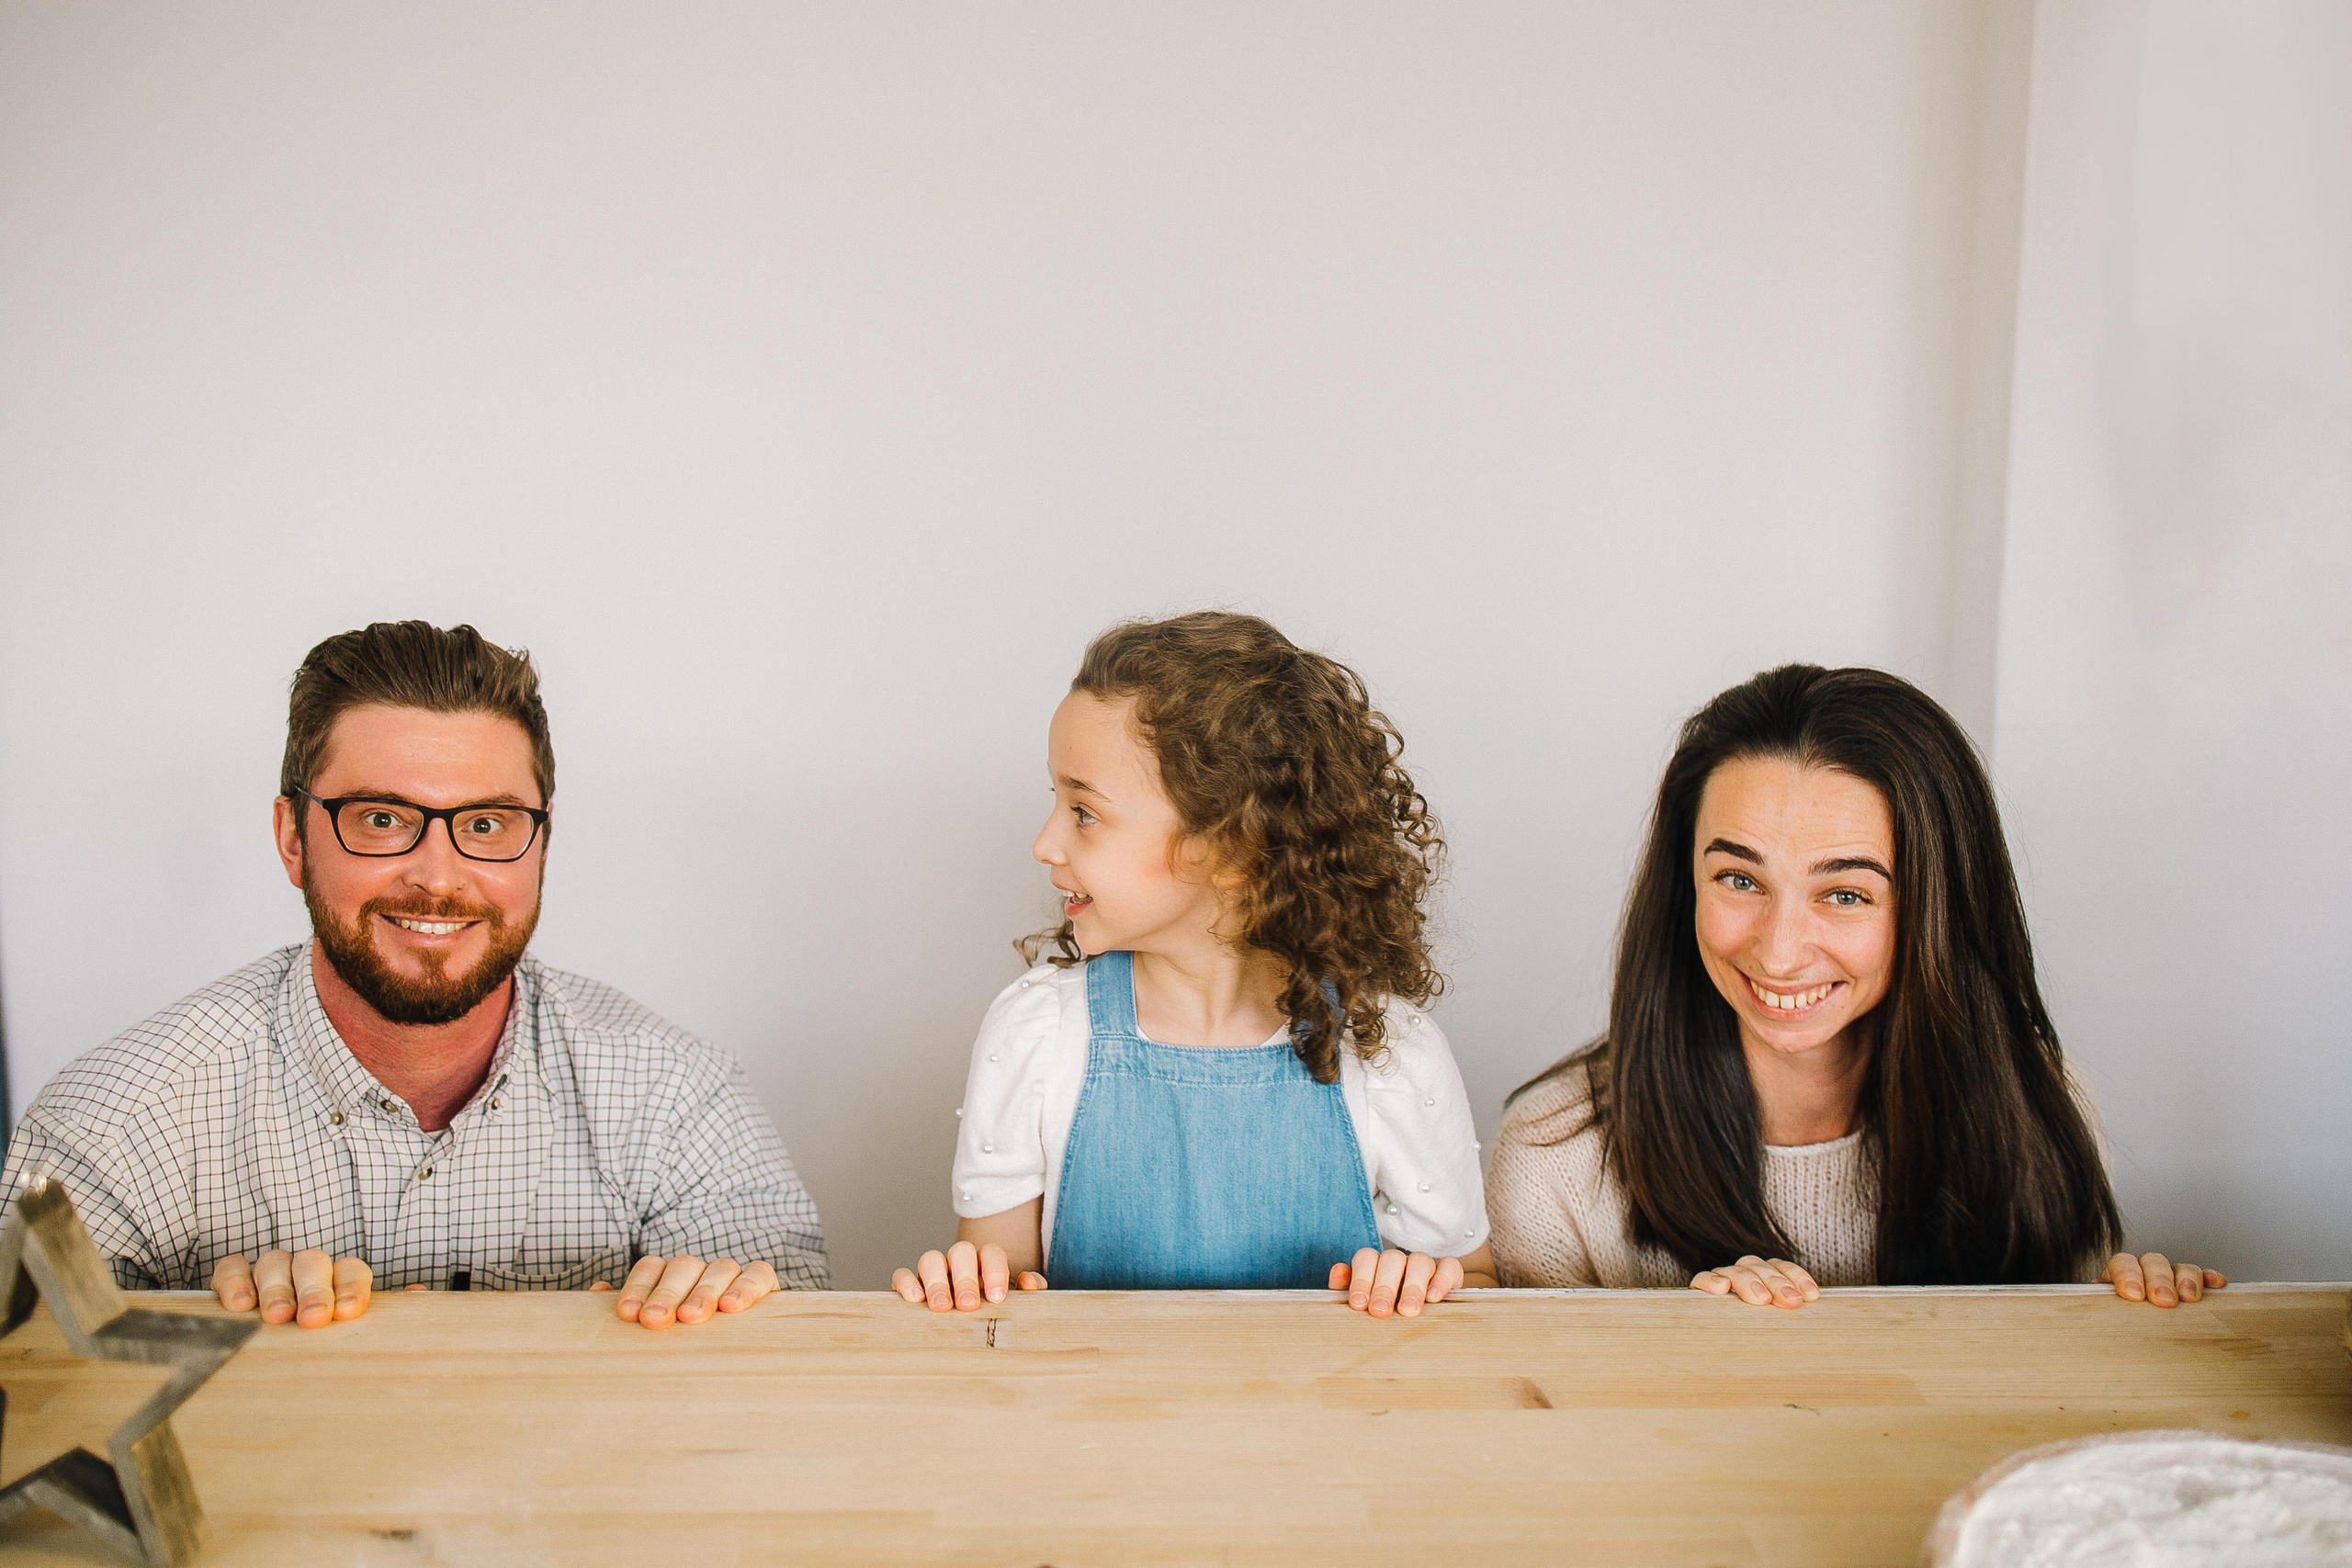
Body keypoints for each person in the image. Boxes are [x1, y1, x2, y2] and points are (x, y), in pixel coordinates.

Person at [0, 621, 827, 1328]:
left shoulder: (679, 1098)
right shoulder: (109, 1129)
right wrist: (239, 1358)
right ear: (293, 837)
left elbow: (793, 1380)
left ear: (541, 842)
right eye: (384, 818)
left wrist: (712, 1327)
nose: (438, 874)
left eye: (488, 822)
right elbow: (32, 1436)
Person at [1486, 663, 2222, 1309]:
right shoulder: (1554, 1161)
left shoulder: (2041, 1105)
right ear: (1685, 888)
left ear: (1937, 909)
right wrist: (1688, 1348)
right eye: (1739, 879)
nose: (1778, 951)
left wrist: (2118, 1317)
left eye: (1846, 894)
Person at [892, 612, 1491, 1318]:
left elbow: (1473, 1292)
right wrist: (965, 1285)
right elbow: (1001, 1300)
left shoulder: (1394, 1055)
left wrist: (1426, 1287)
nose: (1045, 842)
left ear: (1230, 846)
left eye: (1083, 810)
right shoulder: (1033, 1035)